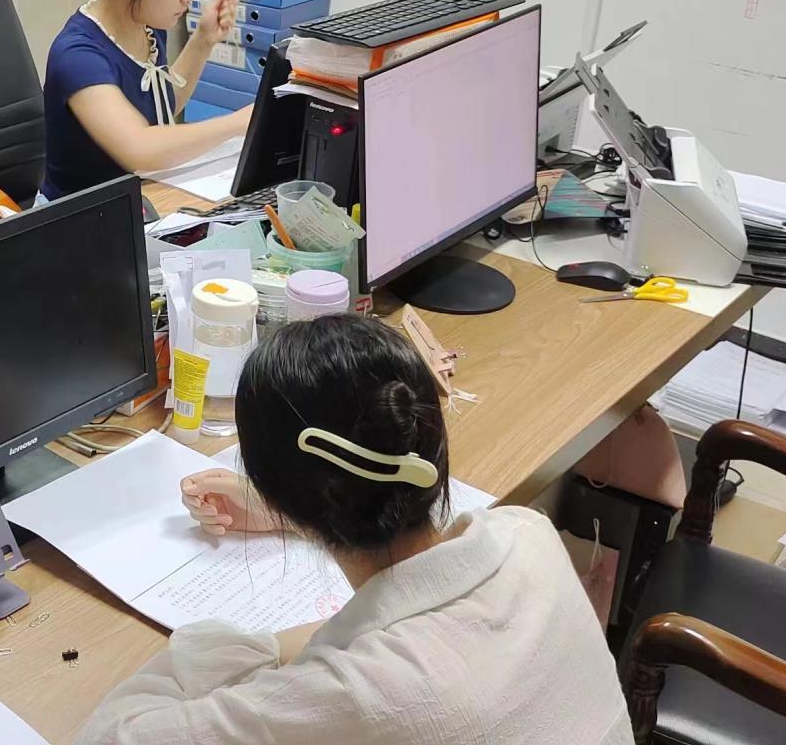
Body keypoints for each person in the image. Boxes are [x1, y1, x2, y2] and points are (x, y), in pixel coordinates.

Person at [79, 314, 633, 745]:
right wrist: (291, 514)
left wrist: (250, 640)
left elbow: (108, 736)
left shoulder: (354, 694)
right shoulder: (529, 535)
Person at [40, 0, 253, 201]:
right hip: (77, 218)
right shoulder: (78, 56)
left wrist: (203, 40)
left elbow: (161, 105)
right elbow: (139, 148)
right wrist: (236, 124)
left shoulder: (148, 26)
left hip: (137, 200)